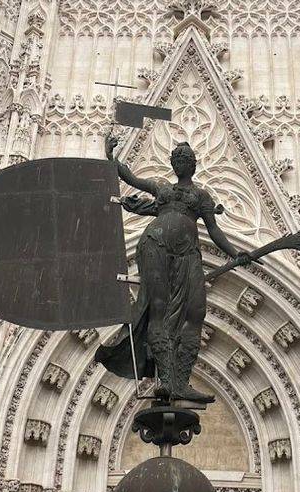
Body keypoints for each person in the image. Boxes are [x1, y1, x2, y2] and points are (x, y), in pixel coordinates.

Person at [95, 135, 248, 403]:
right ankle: (167, 381)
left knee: (196, 311)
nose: (180, 163)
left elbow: (214, 230)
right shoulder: (162, 189)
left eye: (185, 159)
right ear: (172, 163)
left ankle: (181, 382)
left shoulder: (201, 196)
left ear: (193, 164)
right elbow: (131, 178)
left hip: (187, 254)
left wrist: (236, 254)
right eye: (176, 159)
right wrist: (112, 158)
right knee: (158, 309)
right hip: (155, 245)